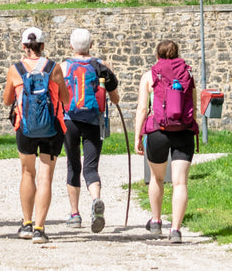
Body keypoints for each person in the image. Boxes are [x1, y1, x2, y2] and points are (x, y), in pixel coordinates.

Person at [2, 26, 69, 244]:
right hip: (52, 127)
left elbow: (6, 100)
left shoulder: (16, 69)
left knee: (27, 173)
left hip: (25, 127)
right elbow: (66, 99)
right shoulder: (53, 67)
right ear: (42, 46)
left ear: (23, 46)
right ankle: (40, 228)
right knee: (45, 175)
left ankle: (27, 223)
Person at [134, 39, 198, 244]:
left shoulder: (149, 76)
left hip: (157, 131)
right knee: (180, 182)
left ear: (157, 55)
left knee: (157, 178)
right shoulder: (188, 75)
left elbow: (143, 109)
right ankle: (176, 230)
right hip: (184, 131)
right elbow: (193, 108)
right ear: (177, 54)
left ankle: (156, 221)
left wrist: (138, 135)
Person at [60, 28, 120, 233]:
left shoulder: (64, 66)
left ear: (71, 46)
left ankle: (75, 215)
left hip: (70, 121)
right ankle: (96, 200)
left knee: (73, 165)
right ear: (91, 46)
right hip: (94, 121)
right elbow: (115, 98)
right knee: (91, 167)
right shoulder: (101, 66)